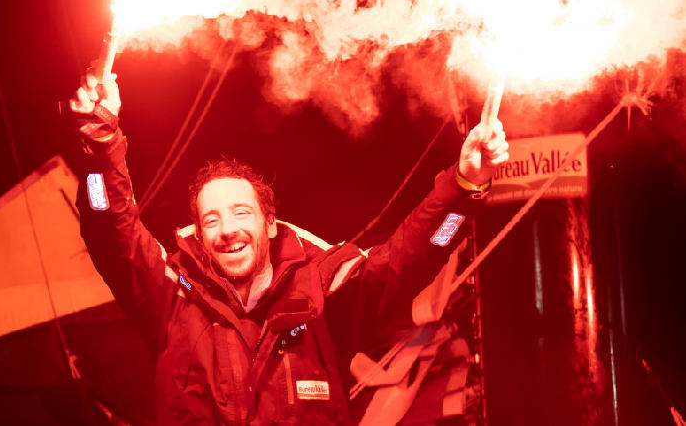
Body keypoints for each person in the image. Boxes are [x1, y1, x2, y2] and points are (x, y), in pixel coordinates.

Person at [65, 69, 509, 424]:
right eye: (212, 219)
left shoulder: (323, 298)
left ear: (270, 223)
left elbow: (419, 256)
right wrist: (101, 150)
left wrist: (464, 189)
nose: (227, 229)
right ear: (199, 237)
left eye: (241, 213)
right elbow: (109, 230)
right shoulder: (171, 301)